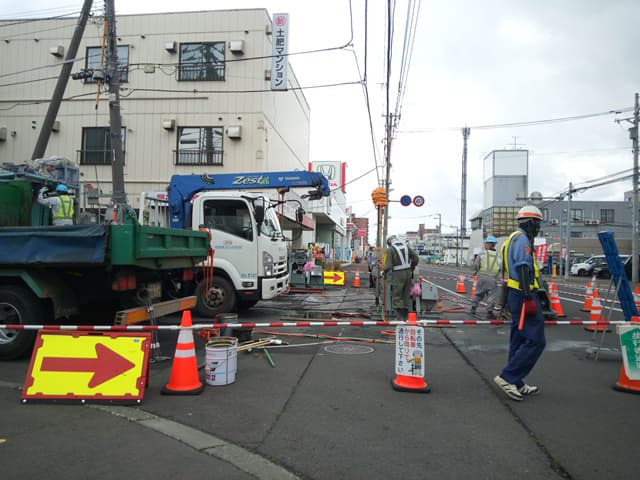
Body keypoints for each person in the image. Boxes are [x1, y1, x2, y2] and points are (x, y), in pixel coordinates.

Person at [494, 205, 545, 401]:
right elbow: (523, 267)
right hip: (523, 293)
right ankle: (508, 377)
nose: (538, 227)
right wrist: (528, 296)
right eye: (537, 223)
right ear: (530, 222)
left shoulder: (512, 238)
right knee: (536, 340)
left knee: (519, 338)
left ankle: (516, 380)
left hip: (515, 293)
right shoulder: (523, 239)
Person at [382, 235, 419, 321]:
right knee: (406, 294)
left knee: (397, 295)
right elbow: (416, 258)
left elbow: (389, 265)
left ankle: (399, 317)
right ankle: (406, 317)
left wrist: (383, 271)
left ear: (389, 242)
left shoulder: (391, 249)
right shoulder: (406, 247)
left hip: (398, 273)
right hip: (408, 273)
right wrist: (411, 267)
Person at [470, 235, 500, 319]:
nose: (484, 244)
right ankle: (489, 312)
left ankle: (473, 308)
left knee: (478, 293)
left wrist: (475, 271)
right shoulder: (498, 255)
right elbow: (501, 267)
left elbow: (476, 266)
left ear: (489, 244)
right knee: (491, 296)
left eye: (485, 243)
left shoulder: (482, 254)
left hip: (482, 277)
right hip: (493, 279)